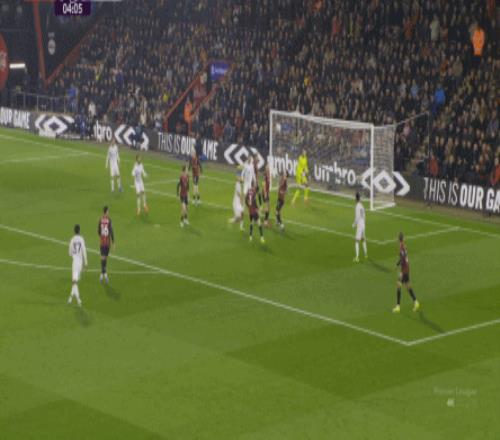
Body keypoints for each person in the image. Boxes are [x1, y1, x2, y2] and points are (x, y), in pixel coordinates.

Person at [393, 232, 420, 313]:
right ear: (403, 238)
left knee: (398, 285)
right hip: (407, 267)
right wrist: (397, 264)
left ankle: (398, 306)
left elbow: (403, 258)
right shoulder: (404, 245)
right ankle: (416, 302)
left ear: (398, 239)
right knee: (407, 286)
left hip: (404, 269)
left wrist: (401, 270)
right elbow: (403, 257)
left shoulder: (401, 247)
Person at [68, 224, 87, 307]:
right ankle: (72, 298)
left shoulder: (72, 240)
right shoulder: (82, 239)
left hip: (75, 263)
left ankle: (77, 299)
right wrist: (86, 262)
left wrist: (73, 254)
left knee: (74, 282)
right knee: (75, 282)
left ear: (74, 231)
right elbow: (84, 250)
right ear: (79, 230)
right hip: (80, 263)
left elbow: (69, 252)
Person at [98, 206, 114, 283]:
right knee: (105, 258)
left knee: (103, 258)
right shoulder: (109, 220)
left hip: (102, 242)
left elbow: (98, 231)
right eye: (108, 211)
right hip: (107, 242)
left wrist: (101, 236)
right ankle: (104, 274)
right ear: (106, 211)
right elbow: (111, 231)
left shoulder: (100, 219)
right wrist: (113, 242)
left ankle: (102, 273)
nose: (108, 212)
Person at [352, 192, 368, 262]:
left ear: (356, 198)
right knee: (363, 239)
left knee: (356, 240)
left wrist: (354, 224)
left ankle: (357, 257)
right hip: (363, 223)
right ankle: (366, 254)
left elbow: (357, 217)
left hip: (359, 225)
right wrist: (364, 222)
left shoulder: (357, 206)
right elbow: (364, 215)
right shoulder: (362, 205)